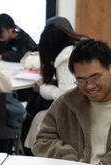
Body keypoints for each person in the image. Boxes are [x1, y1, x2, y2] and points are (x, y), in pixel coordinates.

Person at [23, 23, 83, 151]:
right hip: (85, 109)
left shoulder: (64, 59)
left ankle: (33, 152)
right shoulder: (77, 50)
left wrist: (43, 88)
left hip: (76, 116)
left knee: (39, 116)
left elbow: (66, 96)